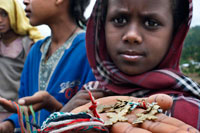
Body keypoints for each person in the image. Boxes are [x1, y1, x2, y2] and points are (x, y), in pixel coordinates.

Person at [0, 0, 96, 132]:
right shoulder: (35, 51)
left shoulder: (90, 50)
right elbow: (25, 109)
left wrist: (55, 106)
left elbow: (93, 116)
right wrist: (8, 125)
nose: (25, 1)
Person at [0, 0, 42, 121]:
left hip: (18, 112)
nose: (0, 20)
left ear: (14, 14)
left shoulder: (28, 45)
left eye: (4, 14)